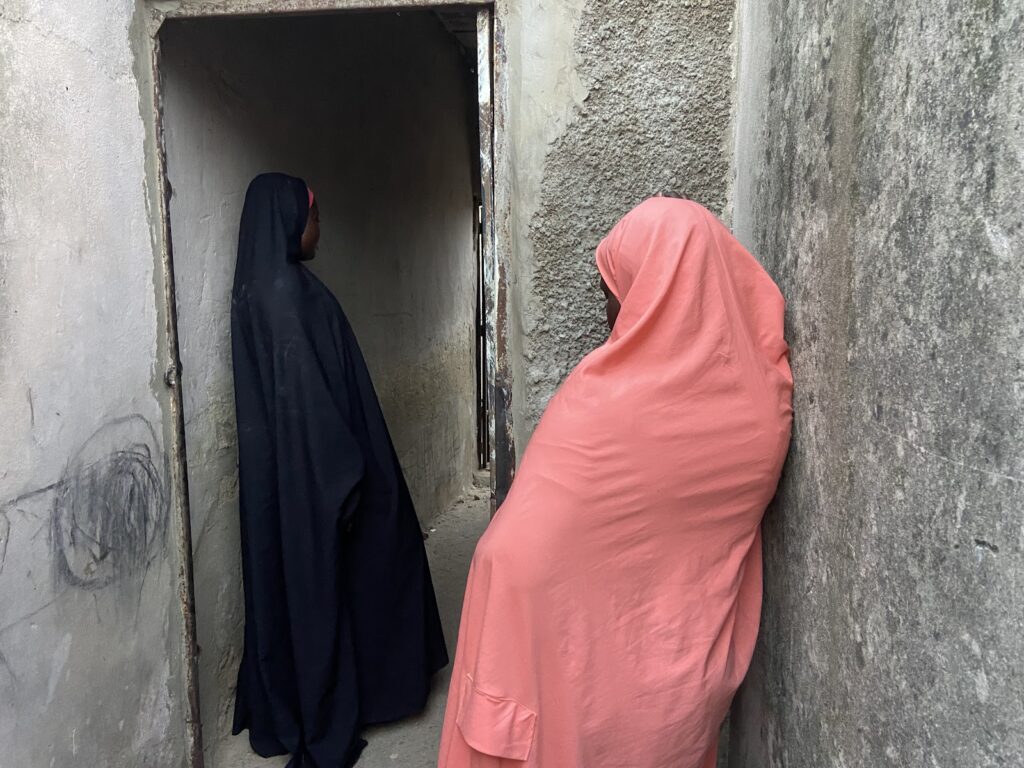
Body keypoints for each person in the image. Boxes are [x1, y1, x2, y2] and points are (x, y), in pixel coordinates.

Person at [438, 196, 793, 767]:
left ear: (655, 292)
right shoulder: (764, 403)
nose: (609, 316)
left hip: (559, 661)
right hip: (679, 681)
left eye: (615, 294)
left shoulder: (605, 397)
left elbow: (520, 541)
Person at [231, 173, 448, 768]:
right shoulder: (287, 298)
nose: (319, 228)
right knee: (380, 564)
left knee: (301, 588)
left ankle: (293, 703)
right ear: (287, 220)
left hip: (289, 486)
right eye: (315, 215)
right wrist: (349, 484)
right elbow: (311, 409)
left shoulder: (258, 288)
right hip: (328, 477)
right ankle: (369, 696)